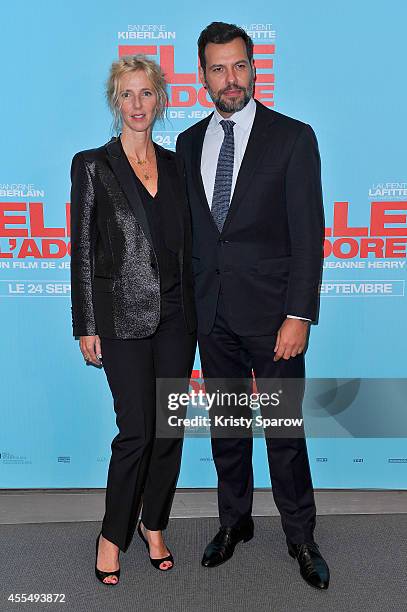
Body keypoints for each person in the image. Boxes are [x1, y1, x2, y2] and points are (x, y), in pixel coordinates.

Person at [176, 22, 329, 590]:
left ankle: (301, 535)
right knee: (228, 428)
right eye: (218, 68)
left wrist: (299, 314)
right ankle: (234, 523)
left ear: (254, 68)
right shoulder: (189, 143)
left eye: (239, 65)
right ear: (203, 76)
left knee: (284, 431)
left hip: (274, 320)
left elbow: (308, 235)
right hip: (212, 316)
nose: (230, 78)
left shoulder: (292, 137)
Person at [70, 55, 197, 585]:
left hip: (178, 317)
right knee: (136, 432)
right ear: (115, 101)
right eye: (128, 94)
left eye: (147, 93)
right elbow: (80, 249)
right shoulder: (92, 164)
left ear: (159, 98)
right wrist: (85, 323)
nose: (138, 104)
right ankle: (112, 533)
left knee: (169, 430)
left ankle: (155, 523)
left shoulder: (176, 165)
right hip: (120, 319)